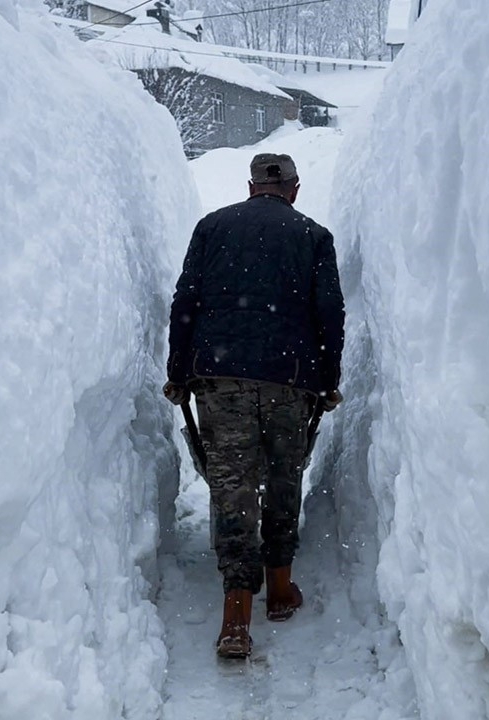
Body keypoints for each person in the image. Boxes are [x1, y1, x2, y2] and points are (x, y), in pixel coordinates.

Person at [163, 153, 345, 659]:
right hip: (290, 378)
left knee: (231, 487)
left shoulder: (212, 227)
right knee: (285, 475)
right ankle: (280, 588)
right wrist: (327, 379)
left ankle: (236, 616)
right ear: (295, 188)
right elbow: (329, 311)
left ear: (250, 186)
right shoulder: (313, 235)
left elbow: (185, 302)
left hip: (218, 376)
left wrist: (179, 371)